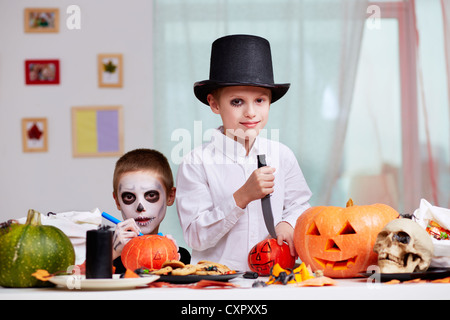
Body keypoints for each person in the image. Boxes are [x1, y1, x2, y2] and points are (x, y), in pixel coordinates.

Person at [176, 34, 312, 271]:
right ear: (215, 104)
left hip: (275, 279)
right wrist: (241, 197)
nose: (251, 112)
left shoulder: (282, 155)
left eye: (260, 100)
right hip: (215, 284)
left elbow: (300, 205)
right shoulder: (195, 163)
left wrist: (288, 224)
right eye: (237, 102)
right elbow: (195, 237)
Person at [112, 148, 190, 273]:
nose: (140, 207)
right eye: (129, 196)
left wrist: (173, 265)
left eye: (151, 195)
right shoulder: (106, 255)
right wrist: (110, 254)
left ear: (170, 196)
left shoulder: (180, 256)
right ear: (117, 201)